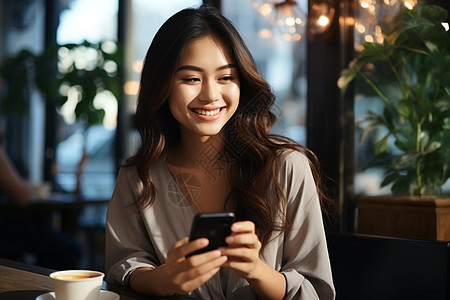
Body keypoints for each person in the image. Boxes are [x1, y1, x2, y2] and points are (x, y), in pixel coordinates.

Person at [105, 4, 335, 300]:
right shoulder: (139, 177)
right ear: (162, 85)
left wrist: (255, 269)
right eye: (191, 79)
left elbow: (314, 290)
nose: (211, 95)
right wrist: (164, 279)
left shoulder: (287, 167)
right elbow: (122, 268)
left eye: (226, 77)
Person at [0, 132, 82, 270]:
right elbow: (22, 197)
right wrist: (26, 184)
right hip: (8, 233)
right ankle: (35, 283)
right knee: (71, 249)